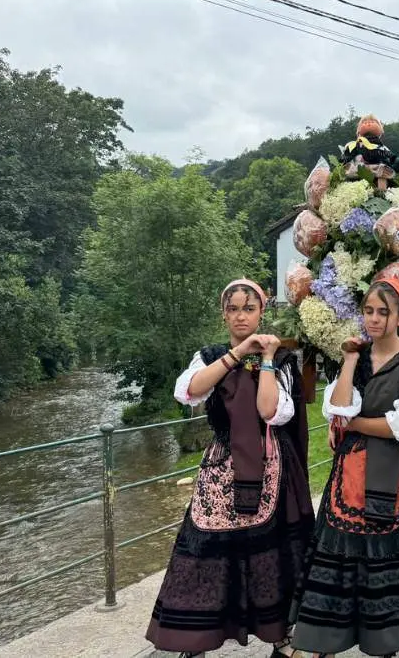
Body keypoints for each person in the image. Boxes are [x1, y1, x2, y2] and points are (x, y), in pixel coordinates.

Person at [147, 279, 315, 658]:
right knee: (206, 546)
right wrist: (238, 353)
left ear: (261, 312)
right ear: (224, 313)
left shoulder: (281, 358)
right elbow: (188, 391)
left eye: (249, 308)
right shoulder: (210, 355)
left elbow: (268, 410)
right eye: (234, 308)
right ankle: (197, 639)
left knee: (272, 550)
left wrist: (267, 360)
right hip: (222, 466)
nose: (241, 315)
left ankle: (279, 634)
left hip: (272, 462)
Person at [290, 279, 399, 657]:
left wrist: (355, 424)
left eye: (384, 312)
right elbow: (337, 408)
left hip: (396, 473)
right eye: (369, 311)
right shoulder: (358, 359)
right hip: (349, 474)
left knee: (385, 555)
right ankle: (327, 641)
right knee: (341, 553)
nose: (375, 319)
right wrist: (349, 360)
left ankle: (385, 643)